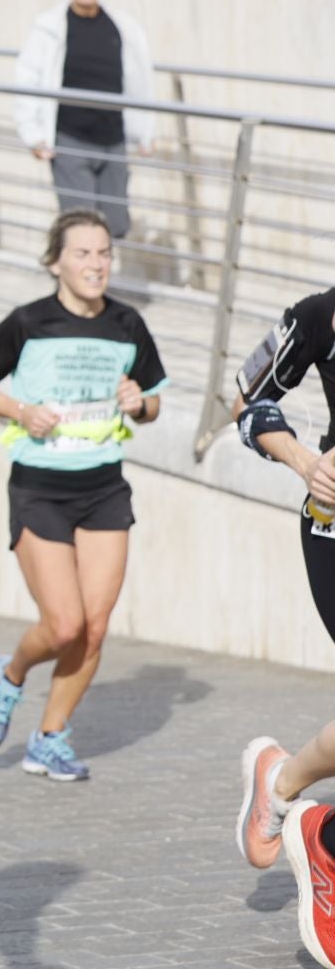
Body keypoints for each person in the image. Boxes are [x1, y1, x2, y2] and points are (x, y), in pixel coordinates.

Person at [0, 209, 164, 781]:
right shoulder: (28, 323)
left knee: (95, 627)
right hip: (41, 490)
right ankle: (11, 675)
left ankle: (49, 738)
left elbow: (154, 402)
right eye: (83, 253)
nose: (96, 264)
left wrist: (137, 403)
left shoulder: (127, 324)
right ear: (55, 262)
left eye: (103, 253)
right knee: (65, 624)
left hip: (104, 489)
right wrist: (22, 411)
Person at [231, 284, 335, 969]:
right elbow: (248, 405)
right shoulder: (319, 317)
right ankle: (323, 846)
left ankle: (286, 785)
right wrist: (306, 463)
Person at [14, 0, 155, 244]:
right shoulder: (50, 27)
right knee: (79, 228)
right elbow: (28, 78)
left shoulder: (122, 26)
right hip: (70, 140)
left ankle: (94, 286)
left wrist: (145, 132)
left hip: (113, 140)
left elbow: (139, 81)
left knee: (115, 225)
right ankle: (72, 288)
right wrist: (33, 134)